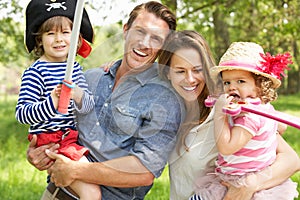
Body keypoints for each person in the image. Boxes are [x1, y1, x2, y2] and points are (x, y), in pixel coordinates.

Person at [26, 1, 185, 200]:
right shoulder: (89, 78)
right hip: (56, 193)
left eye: (156, 38)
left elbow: (144, 171)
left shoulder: (165, 99)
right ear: (126, 30)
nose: (144, 43)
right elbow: (58, 127)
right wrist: (39, 152)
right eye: (139, 31)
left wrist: (76, 171)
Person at [158, 33, 300, 200]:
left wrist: (250, 185)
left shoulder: (232, 110)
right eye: (180, 71)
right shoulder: (167, 113)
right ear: (168, 73)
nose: (190, 79)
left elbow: (291, 159)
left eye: (197, 70)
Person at [16, 0, 101, 199]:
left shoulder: (75, 69)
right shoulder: (35, 72)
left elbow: (87, 107)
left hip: (70, 138)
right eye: (50, 33)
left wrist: (78, 94)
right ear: (39, 40)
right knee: (92, 192)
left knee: (81, 185)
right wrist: (52, 102)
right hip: (51, 140)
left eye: (65, 33)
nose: (59, 39)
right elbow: (22, 114)